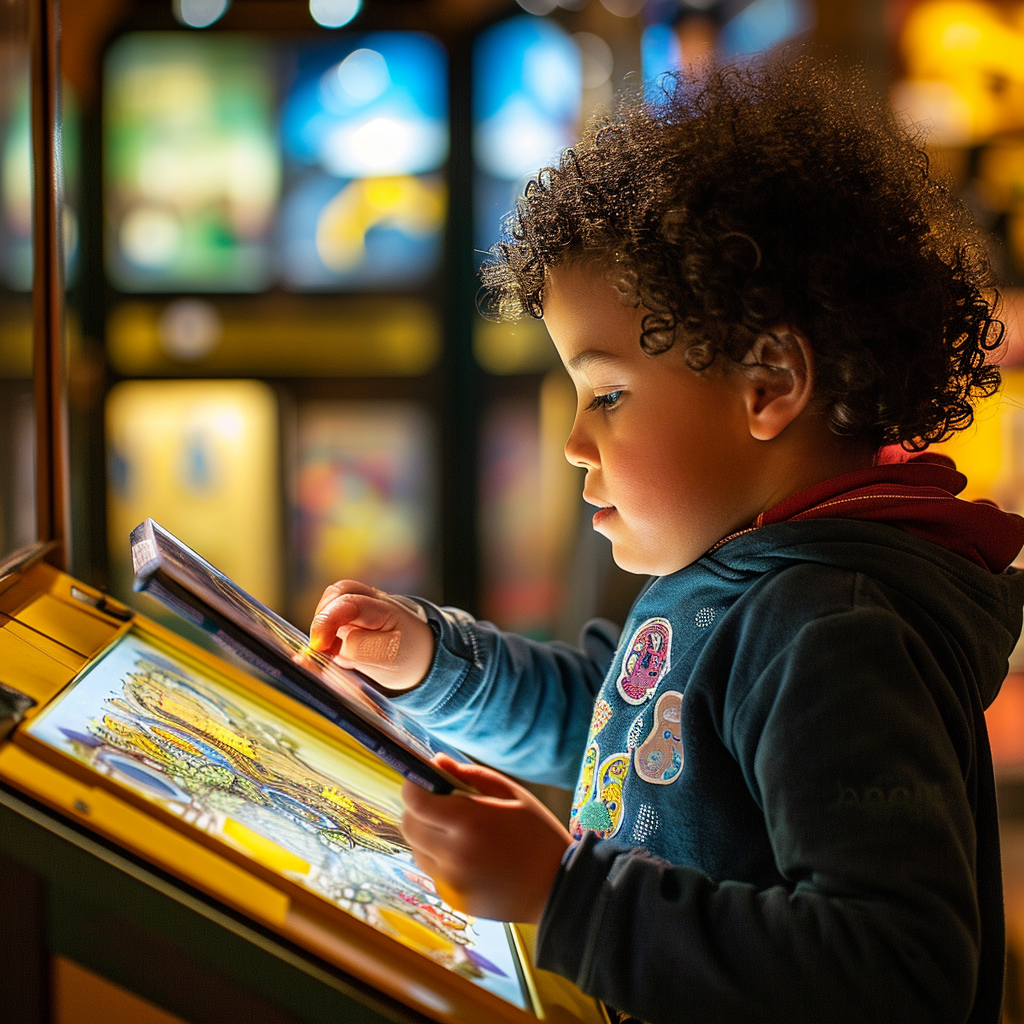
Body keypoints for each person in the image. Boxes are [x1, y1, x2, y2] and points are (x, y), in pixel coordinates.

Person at [308, 55, 1024, 1024]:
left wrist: (567, 895)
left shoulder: (831, 630)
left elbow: (898, 971)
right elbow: (605, 719)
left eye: (605, 393)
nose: (571, 442)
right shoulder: (735, 575)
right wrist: (434, 662)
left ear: (767, 384)